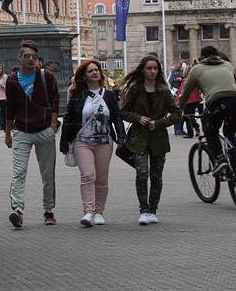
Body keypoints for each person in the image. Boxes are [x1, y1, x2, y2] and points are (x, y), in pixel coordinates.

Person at [61, 60, 125, 227]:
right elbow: (68, 118)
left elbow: (117, 117)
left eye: (96, 70)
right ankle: (88, 211)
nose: (95, 73)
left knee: (102, 178)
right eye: (91, 71)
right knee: (88, 175)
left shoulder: (109, 95)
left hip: (105, 142)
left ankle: (99, 211)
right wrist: (64, 141)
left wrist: (121, 138)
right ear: (85, 76)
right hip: (82, 141)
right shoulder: (77, 95)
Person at [4, 40, 60, 228]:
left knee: (47, 175)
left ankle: (48, 210)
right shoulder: (11, 80)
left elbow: (55, 102)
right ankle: (17, 210)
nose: (31, 59)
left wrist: (52, 126)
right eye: (27, 56)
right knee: (19, 172)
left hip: (44, 131)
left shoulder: (47, 77)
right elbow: (9, 108)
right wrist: (7, 133)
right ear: (19, 57)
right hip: (21, 131)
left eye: (34, 57)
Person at [121, 56, 182, 225]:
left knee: (156, 176)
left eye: (155, 68)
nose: (152, 71)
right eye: (149, 68)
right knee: (142, 173)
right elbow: (123, 112)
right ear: (142, 70)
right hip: (138, 138)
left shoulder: (163, 90)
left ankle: (153, 210)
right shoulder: (135, 90)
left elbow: (177, 114)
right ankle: (143, 210)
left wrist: (160, 123)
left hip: (158, 139)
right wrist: (138, 118)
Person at [178, 46, 236, 175]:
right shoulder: (228, 65)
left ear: (202, 58)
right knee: (229, 133)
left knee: (209, 129)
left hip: (217, 102)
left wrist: (178, 110)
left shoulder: (196, 69)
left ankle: (220, 159)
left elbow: (185, 93)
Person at [176, 64, 201, 138]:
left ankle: (190, 133)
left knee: (187, 116)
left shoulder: (185, 80)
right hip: (195, 100)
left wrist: (177, 100)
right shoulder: (196, 79)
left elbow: (181, 91)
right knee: (191, 115)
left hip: (188, 100)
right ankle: (196, 127)